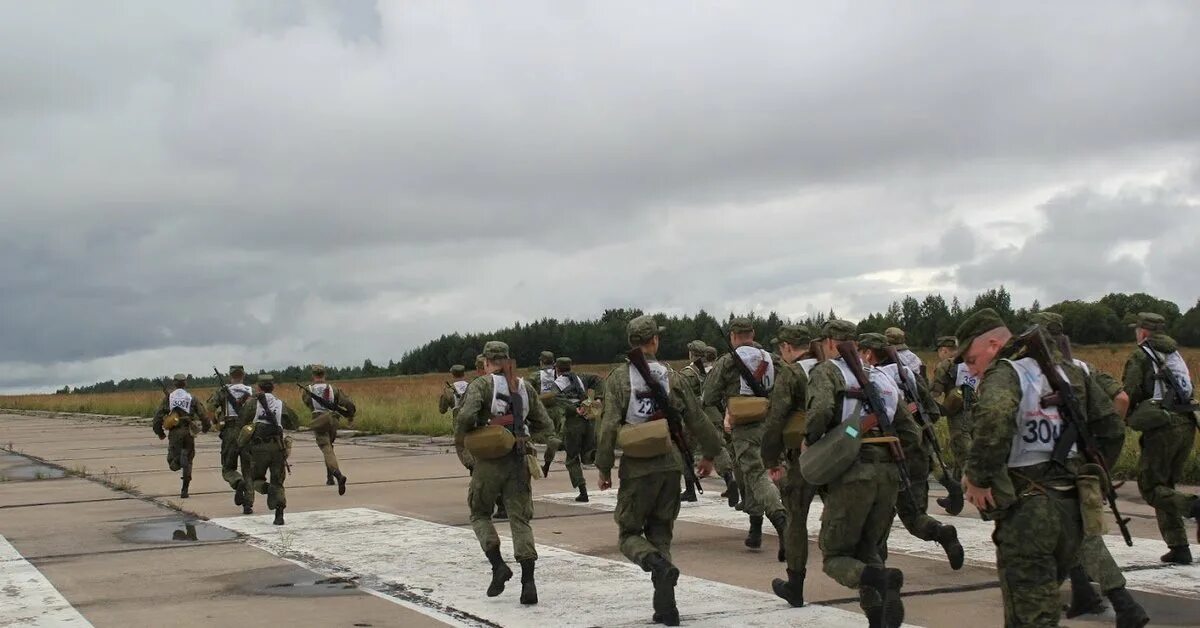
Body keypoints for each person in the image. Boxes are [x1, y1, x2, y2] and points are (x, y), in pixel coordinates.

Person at [957, 309, 1125, 627]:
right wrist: (1094, 473)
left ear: (993, 344)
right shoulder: (1072, 371)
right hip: (1072, 506)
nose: (971, 369)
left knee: (1031, 615)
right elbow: (1112, 427)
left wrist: (977, 478)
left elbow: (991, 418)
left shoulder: (1006, 372)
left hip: (1030, 508)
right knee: (1038, 605)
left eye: (971, 359)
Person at [595, 315, 724, 626]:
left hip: (637, 467)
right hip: (670, 464)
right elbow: (697, 417)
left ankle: (653, 563)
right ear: (654, 341)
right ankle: (667, 607)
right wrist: (710, 455)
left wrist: (603, 467)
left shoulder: (617, 379)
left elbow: (608, 426)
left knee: (628, 534)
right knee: (661, 532)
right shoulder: (673, 377)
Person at [1030, 313, 1149, 626]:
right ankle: (1083, 592)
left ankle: (1126, 604)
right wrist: (1100, 458)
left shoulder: (1029, 372)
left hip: (1054, 464)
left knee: (1082, 536)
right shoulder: (1083, 367)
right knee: (1067, 534)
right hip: (1079, 459)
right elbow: (1119, 404)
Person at [805, 320, 918, 626]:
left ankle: (884, 582)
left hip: (853, 470)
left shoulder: (826, 371)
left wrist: (811, 445)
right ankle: (877, 617)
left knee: (835, 556)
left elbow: (819, 414)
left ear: (830, 343)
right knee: (869, 549)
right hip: (889, 474)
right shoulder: (883, 376)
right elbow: (911, 434)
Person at [455, 341, 553, 605]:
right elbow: (545, 423)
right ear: (508, 360)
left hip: (488, 461)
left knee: (479, 512)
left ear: (487, 362)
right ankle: (528, 583)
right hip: (519, 459)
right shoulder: (525, 386)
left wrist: (471, 437)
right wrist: (524, 437)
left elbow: (464, 418)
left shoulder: (482, 385)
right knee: (520, 520)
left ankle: (498, 566)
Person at [858, 333, 964, 571]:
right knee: (913, 514)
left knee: (876, 514)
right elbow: (934, 412)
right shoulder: (908, 374)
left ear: (868, 353)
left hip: (884, 453)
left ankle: (878, 569)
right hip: (917, 453)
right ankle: (941, 532)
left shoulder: (868, 378)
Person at [702, 318, 788, 556]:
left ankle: (780, 521)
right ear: (753, 333)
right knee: (770, 472)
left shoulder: (728, 362)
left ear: (732, 336)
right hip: (773, 426)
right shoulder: (774, 360)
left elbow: (708, 395)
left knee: (756, 476)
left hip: (745, 429)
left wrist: (727, 410)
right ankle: (755, 529)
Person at [1122, 312, 1200, 564]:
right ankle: (1179, 547)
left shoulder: (1141, 355)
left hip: (1163, 427)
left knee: (1151, 488)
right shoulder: (1175, 354)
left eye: (1137, 330)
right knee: (1165, 486)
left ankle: (1195, 508)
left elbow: (1130, 392)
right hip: (1186, 423)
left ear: (1143, 332)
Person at [761, 324, 816, 607]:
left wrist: (770, 458)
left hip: (803, 457)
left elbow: (776, 418)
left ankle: (795, 585)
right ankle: (872, 575)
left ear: (786, 347)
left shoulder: (791, 373)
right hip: (840, 452)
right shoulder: (829, 367)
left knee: (796, 518)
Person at [679, 340, 738, 504]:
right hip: (713, 415)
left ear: (691, 353)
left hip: (694, 417)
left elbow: (681, 396)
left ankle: (690, 490)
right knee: (718, 447)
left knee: (686, 452)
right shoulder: (714, 371)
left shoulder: (688, 373)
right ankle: (729, 480)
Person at [237, 374, 299, 526]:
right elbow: (294, 423)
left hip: (259, 448)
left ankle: (268, 490)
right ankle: (279, 515)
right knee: (278, 481)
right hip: (277, 447)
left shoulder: (253, 403)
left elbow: (242, 421)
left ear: (258, 387)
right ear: (273, 387)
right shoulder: (280, 404)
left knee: (255, 478)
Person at [301, 364, 357, 495]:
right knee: (330, 447)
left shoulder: (308, 390)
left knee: (326, 449)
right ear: (324, 375)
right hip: (333, 420)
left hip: (319, 419)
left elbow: (308, 403)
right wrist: (350, 416)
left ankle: (338, 475)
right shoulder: (333, 389)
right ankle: (329, 477)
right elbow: (348, 403)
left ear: (313, 375)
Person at [152, 373, 211, 499]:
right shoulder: (192, 398)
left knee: (171, 462)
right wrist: (206, 428)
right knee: (189, 460)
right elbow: (203, 415)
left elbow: (157, 417)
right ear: (185, 383)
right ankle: (185, 489)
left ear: (174, 383)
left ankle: (179, 460)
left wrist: (160, 433)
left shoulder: (169, 398)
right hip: (189, 431)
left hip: (175, 433)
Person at [208, 365, 254, 512]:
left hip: (230, 430)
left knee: (228, 468)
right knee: (248, 469)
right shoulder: (250, 391)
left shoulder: (223, 391)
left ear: (230, 376)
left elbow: (210, 408)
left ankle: (237, 481)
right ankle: (248, 504)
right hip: (247, 431)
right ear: (243, 375)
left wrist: (215, 423)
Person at [554, 357, 593, 502]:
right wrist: (599, 398)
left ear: (557, 368)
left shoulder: (558, 383)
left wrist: (573, 409)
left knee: (572, 458)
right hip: (588, 420)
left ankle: (583, 492)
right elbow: (599, 381)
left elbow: (556, 399)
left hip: (573, 423)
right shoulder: (581, 378)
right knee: (589, 452)